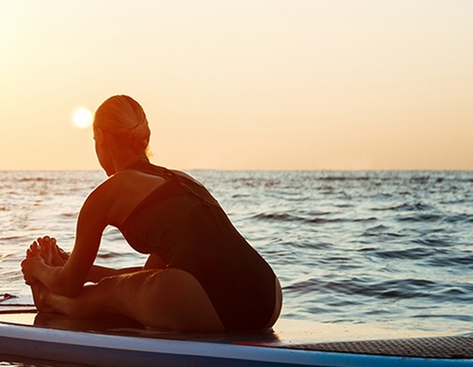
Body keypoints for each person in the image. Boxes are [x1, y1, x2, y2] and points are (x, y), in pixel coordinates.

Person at [21, 95, 282, 333]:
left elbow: (68, 285)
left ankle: (47, 300)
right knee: (133, 287)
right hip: (267, 297)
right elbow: (150, 275)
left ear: (100, 137)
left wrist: (38, 269)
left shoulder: (107, 193)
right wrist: (79, 267)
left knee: (111, 292)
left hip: (206, 298)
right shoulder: (182, 180)